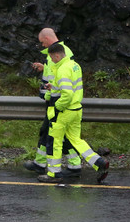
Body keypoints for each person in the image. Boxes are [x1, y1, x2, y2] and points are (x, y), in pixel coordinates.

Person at [38, 43, 109, 184]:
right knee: (76, 140)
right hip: (76, 110)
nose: (51, 60)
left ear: (57, 55)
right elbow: (70, 87)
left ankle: (53, 174)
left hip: (64, 111)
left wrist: (57, 106)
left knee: (54, 142)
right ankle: (98, 162)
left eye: (52, 57)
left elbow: (67, 93)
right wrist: (53, 87)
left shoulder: (62, 69)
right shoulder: (74, 65)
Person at [24, 28, 82, 176]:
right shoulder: (57, 53)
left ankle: (71, 166)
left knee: (57, 135)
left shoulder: (62, 52)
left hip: (59, 101)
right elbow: (55, 72)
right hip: (54, 99)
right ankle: (40, 162)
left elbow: (64, 76)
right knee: (46, 132)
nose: (42, 45)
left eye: (42, 42)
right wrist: (44, 68)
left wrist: (57, 102)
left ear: (47, 38)